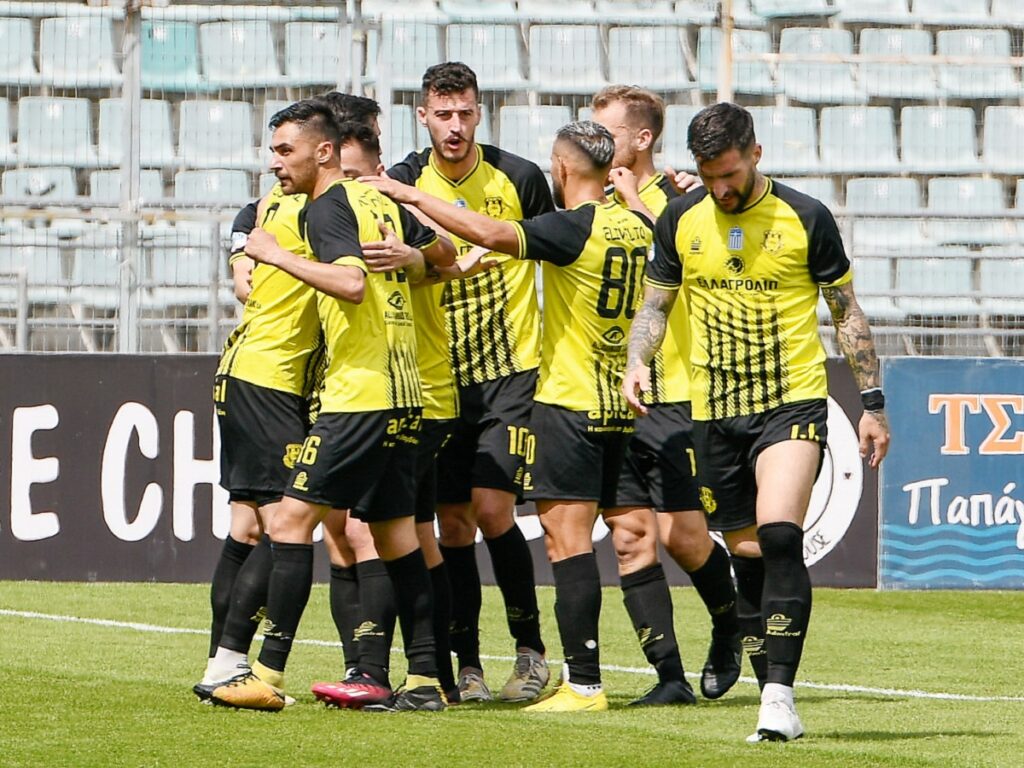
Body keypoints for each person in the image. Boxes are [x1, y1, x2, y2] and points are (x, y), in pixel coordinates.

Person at [365, 120, 653, 713]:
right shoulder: (638, 223)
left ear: (561, 168)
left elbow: (494, 234)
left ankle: (573, 677)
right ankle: (474, 664)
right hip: (613, 395)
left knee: (559, 537)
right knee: (476, 525)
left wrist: (411, 195)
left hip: (562, 394)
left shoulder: (569, 225)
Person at [624, 102, 891, 741]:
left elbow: (846, 312)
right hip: (714, 409)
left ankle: (779, 698)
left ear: (756, 154)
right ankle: (760, 668)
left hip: (791, 400)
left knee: (778, 535)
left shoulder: (805, 216)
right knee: (745, 552)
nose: (720, 188)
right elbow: (655, 305)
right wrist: (637, 361)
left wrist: (873, 403)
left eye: (730, 173)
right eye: (708, 175)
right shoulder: (681, 218)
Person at [209, 99, 451, 712]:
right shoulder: (378, 201)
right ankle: (426, 680)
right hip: (407, 394)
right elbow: (445, 253)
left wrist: (276, 255)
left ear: (324, 152)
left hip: (358, 396)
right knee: (397, 536)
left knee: (289, 522)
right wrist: (415, 258)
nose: (275, 163)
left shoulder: (328, 206)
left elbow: (350, 283)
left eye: (284, 151)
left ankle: (265, 673)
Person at [195, 94, 384, 701]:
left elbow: (247, 279)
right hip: (268, 379)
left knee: (252, 524)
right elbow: (344, 278)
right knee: (286, 522)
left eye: (283, 151)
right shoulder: (316, 209)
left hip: (250, 373)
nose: (275, 163)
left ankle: (224, 661)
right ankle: (240, 665)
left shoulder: (272, 206)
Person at [385, 61, 552, 703]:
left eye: (464, 113)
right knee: (452, 525)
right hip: (439, 374)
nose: (454, 126)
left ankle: (531, 653)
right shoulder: (404, 182)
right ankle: (469, 665)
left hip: (511, 371)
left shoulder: (520, 178)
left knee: (491, 509)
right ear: (423, 116)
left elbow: (564, 246)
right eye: (442, 114)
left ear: (480, 113)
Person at [591, 85, 743, 706]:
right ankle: (669, 678)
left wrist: (636, 202)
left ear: (643, 137)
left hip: (674, 391)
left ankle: (731, 624)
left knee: (684, 535)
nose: (597, 142)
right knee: (629, 535)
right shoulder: (590, 199)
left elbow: (684, 261)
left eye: (608, 132)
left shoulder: (684, 199)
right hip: (605, 394)